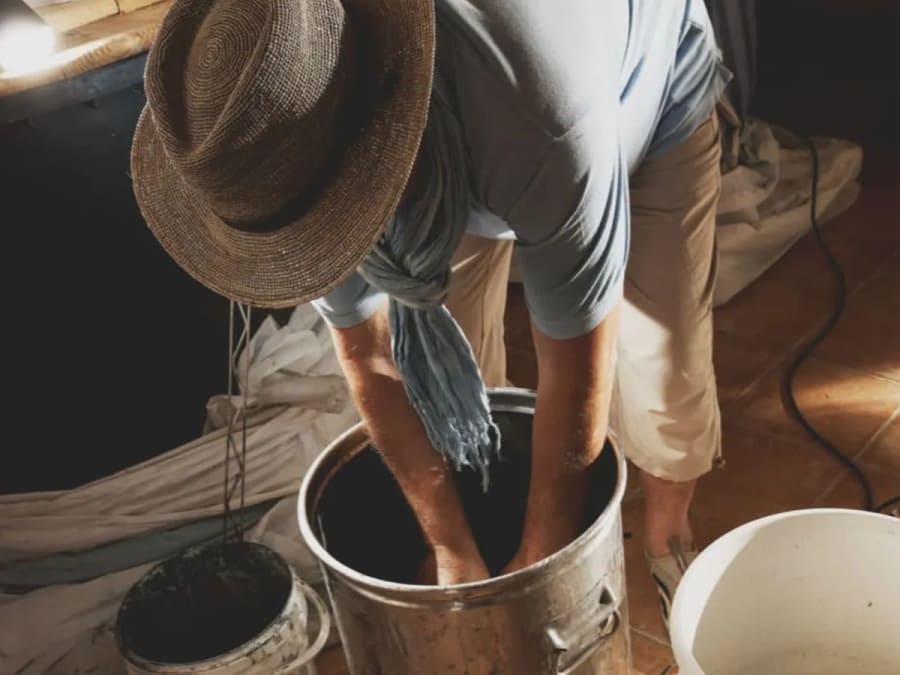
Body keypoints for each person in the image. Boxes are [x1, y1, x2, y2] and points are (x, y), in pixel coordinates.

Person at [131, 0, 730, 629]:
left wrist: (536, 569)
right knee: (455, 386)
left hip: (646, 84)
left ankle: (668, 536)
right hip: (461, 130)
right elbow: (372, 357)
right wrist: (450, 549)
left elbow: (578, 364)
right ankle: (489, 529)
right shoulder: (288, 127)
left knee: (665, 363)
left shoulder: (538, 118)